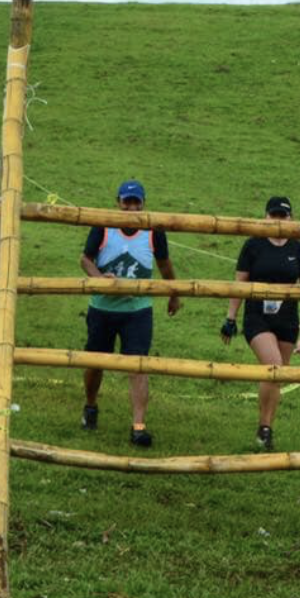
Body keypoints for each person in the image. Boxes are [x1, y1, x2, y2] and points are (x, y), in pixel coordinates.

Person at [80, 180, 181, 447]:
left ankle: (138, 427)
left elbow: (164, 264)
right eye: (127, 202)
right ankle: (90, 405)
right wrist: (100, 279)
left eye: (137, 202)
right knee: (95, 362)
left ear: (144, 204)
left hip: (138, 311)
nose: (132, 208)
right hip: (102, 308)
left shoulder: (153, 231)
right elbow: (85, 259)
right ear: (118, 202)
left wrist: (174, 293)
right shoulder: (103, 226)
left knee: (138, 365)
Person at [220, 196, 300, 451]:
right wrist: (230, 318)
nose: (278, 220)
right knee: (273, 366)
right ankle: (265, 429)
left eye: (283, 216)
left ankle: (265, 428)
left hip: (287, 319)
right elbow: (239, 284)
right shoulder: (253, 245)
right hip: (258, 318)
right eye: (274, 215)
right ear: (265, 217)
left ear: (291, 218)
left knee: (278, 376)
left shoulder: (298, 248)